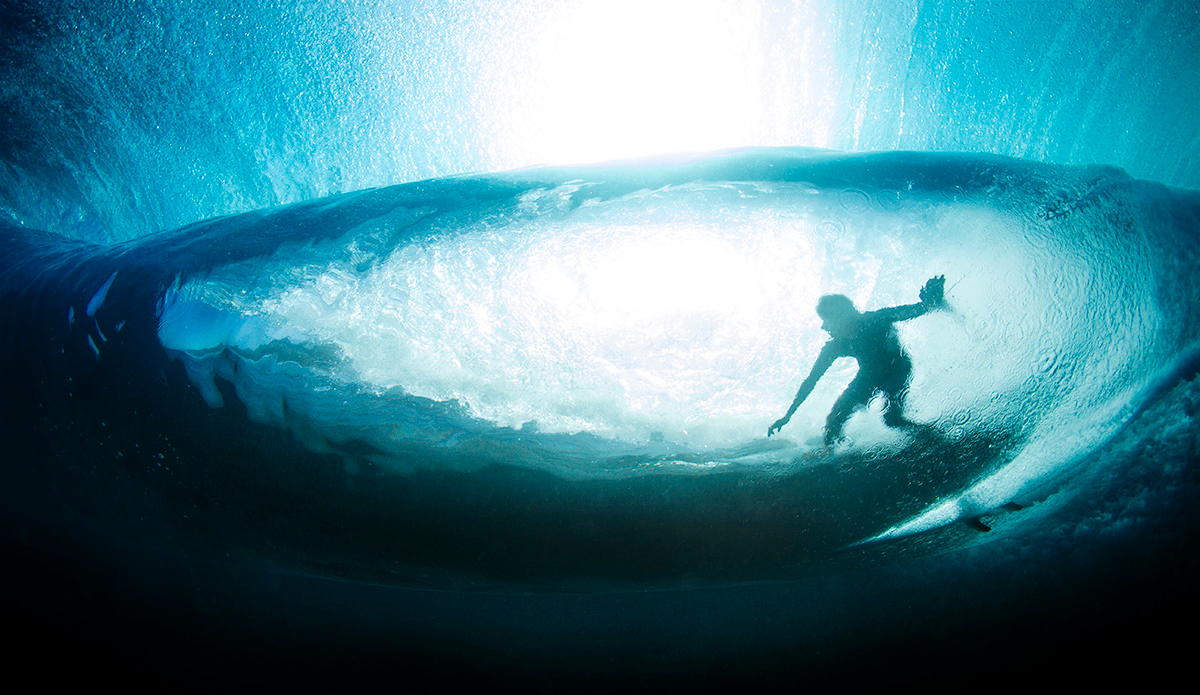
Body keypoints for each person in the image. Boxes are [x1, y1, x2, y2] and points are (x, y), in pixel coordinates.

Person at [767, 276, 946, 445]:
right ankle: (833, 454)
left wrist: (931, 299)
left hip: (897, 369)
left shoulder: (876, 320)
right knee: (833, 422)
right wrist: (788, 416)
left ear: (843, 316)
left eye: (827, 319)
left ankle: (936, 439)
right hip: (868, 376)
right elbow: (811, 380)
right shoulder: (837, 345)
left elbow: (917, 309)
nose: (823, 327)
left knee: (892, 420)